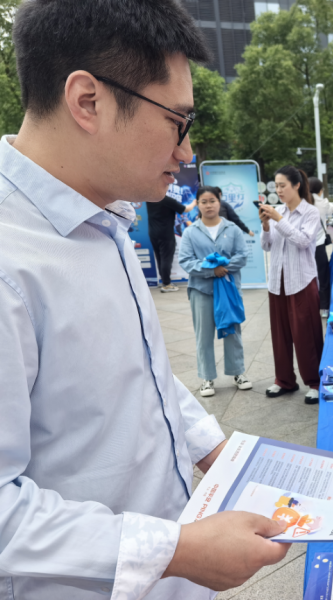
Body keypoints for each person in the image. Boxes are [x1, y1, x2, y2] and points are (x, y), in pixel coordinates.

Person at [0, 1, 289, 598]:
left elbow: (140, 369)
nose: (187, 151)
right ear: (88, 101)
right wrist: (176, 551)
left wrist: (215, 449)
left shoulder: (104, 217)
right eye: (178, 120)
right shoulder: (12, 260)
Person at [178, 186, 252, 398]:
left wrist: (223, 267)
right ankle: (206, 377)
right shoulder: (190, 232)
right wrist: (211, 270)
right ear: (198, 204)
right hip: (201, 290)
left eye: (212, 201)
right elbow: (186, 261)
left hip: (228, 289)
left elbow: (242, 256)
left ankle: (238, 373)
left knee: (233, 330)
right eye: (204, 201)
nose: (208, 205)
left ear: (219, 202)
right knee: (203, 335)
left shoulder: (232, 229)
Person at [259, 166, 324, 404]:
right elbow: (266, 246)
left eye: (282, 185)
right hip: (277, 282)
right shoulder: (277, 211)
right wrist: (266, 227)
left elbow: (303, 241)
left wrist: (279, 220)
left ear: (296, 185)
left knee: (306, 334)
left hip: (302, 281)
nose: (278, 190)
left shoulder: (310, 212)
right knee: (280, 335)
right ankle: (284, 380)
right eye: (276, 186)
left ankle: (315, 382)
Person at [146, 192, 196, 292]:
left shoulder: (150, 199)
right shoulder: (166, 200)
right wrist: (195, 202)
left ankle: (165, 281)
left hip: (153, 233)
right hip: (165, 233)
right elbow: (186, 209)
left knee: (160, 258)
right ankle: (167, 284)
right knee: (166, 258)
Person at [309, 176, 333, 316]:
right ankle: (324, 308)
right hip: (318, 246)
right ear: (320, 190)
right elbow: (331, 209)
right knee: (322, 276)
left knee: (306, 278)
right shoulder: (323, 203)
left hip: (303, 246)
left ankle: (308, 307)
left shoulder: (300, 202)